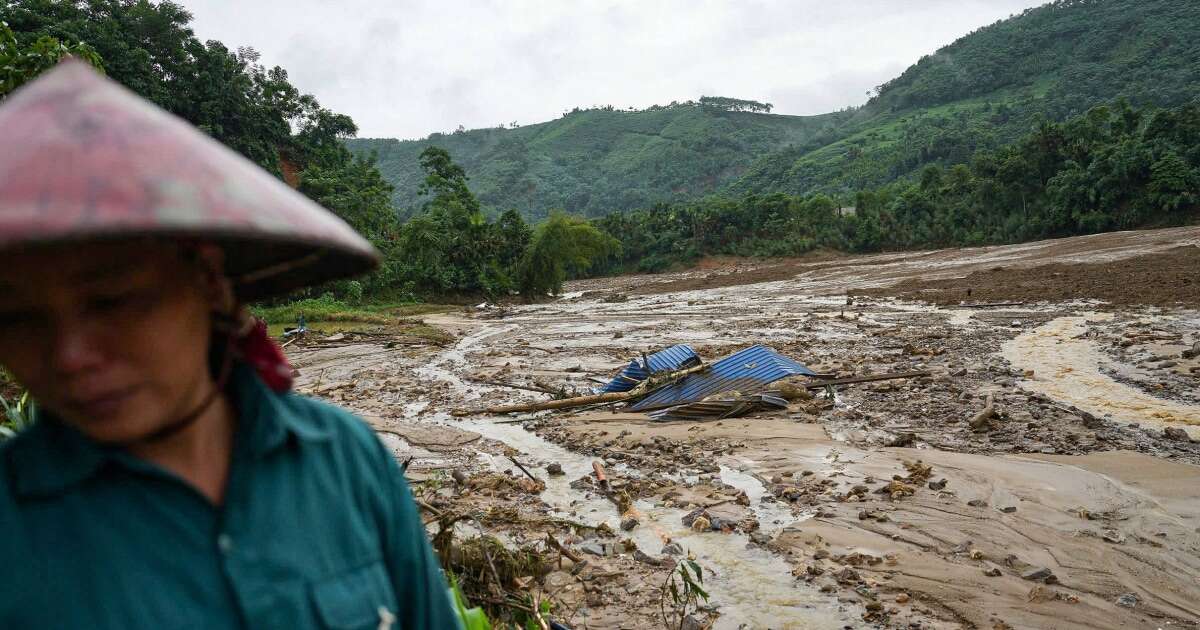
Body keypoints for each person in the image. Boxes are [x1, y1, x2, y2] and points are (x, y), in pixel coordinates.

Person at [0, 61, 462, 629]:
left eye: (113, 302)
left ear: (210, 285)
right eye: (16, 317)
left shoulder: (345, 459)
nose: (68, 356)